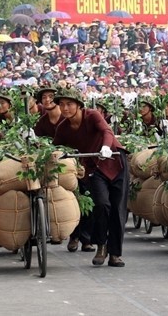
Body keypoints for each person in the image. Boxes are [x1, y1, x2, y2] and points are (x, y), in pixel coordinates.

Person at [53, 87, 128, 268]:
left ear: (79, 105)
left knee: (118, 210)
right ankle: (101, 246)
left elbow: (107, 131)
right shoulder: (63, 128)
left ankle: (115, 254)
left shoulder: (92, 115)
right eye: (61, 105)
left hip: (115, 161)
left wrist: (106, 147)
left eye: (69, 104)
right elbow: (54, 147)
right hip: (93, 168)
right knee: (101, 205)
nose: (65, 108)